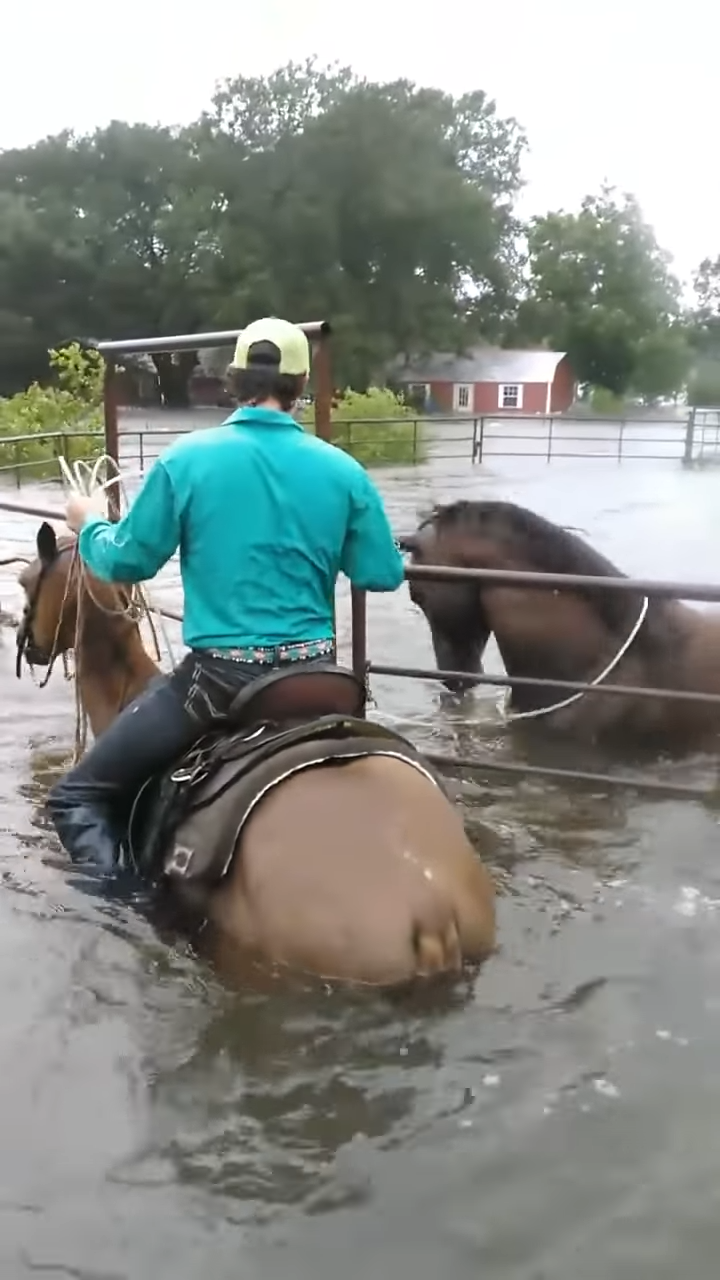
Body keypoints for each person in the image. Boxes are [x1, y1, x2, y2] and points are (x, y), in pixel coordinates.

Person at [47, 316, 405, 876]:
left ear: (235, 381)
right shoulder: (345, 471)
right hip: (318, 677)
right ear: (301, 386)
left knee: (75, 798)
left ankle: (127, 921)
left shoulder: (186, 459)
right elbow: (381, 573)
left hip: (218, 684)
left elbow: (126, 560)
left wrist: (89, 523)